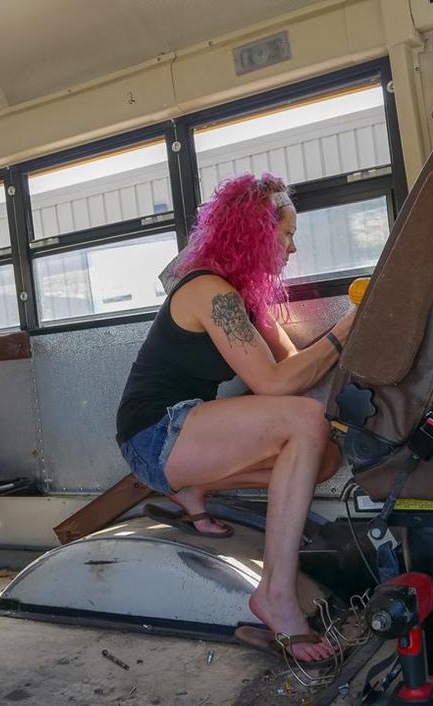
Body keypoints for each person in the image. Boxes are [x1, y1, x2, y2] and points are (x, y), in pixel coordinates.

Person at [115, 173, 355, 664]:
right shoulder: (209, 290)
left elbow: (293, 369)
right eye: (286, 235)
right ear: (254, 233)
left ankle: (192, 488)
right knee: (307, 420)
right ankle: (275, 595)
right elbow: (275, 385)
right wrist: (348, 327)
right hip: (155, 432)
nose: (292, 248)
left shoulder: (243, 299)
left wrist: (347, 337)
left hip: (185, 432)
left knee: (325, 458)